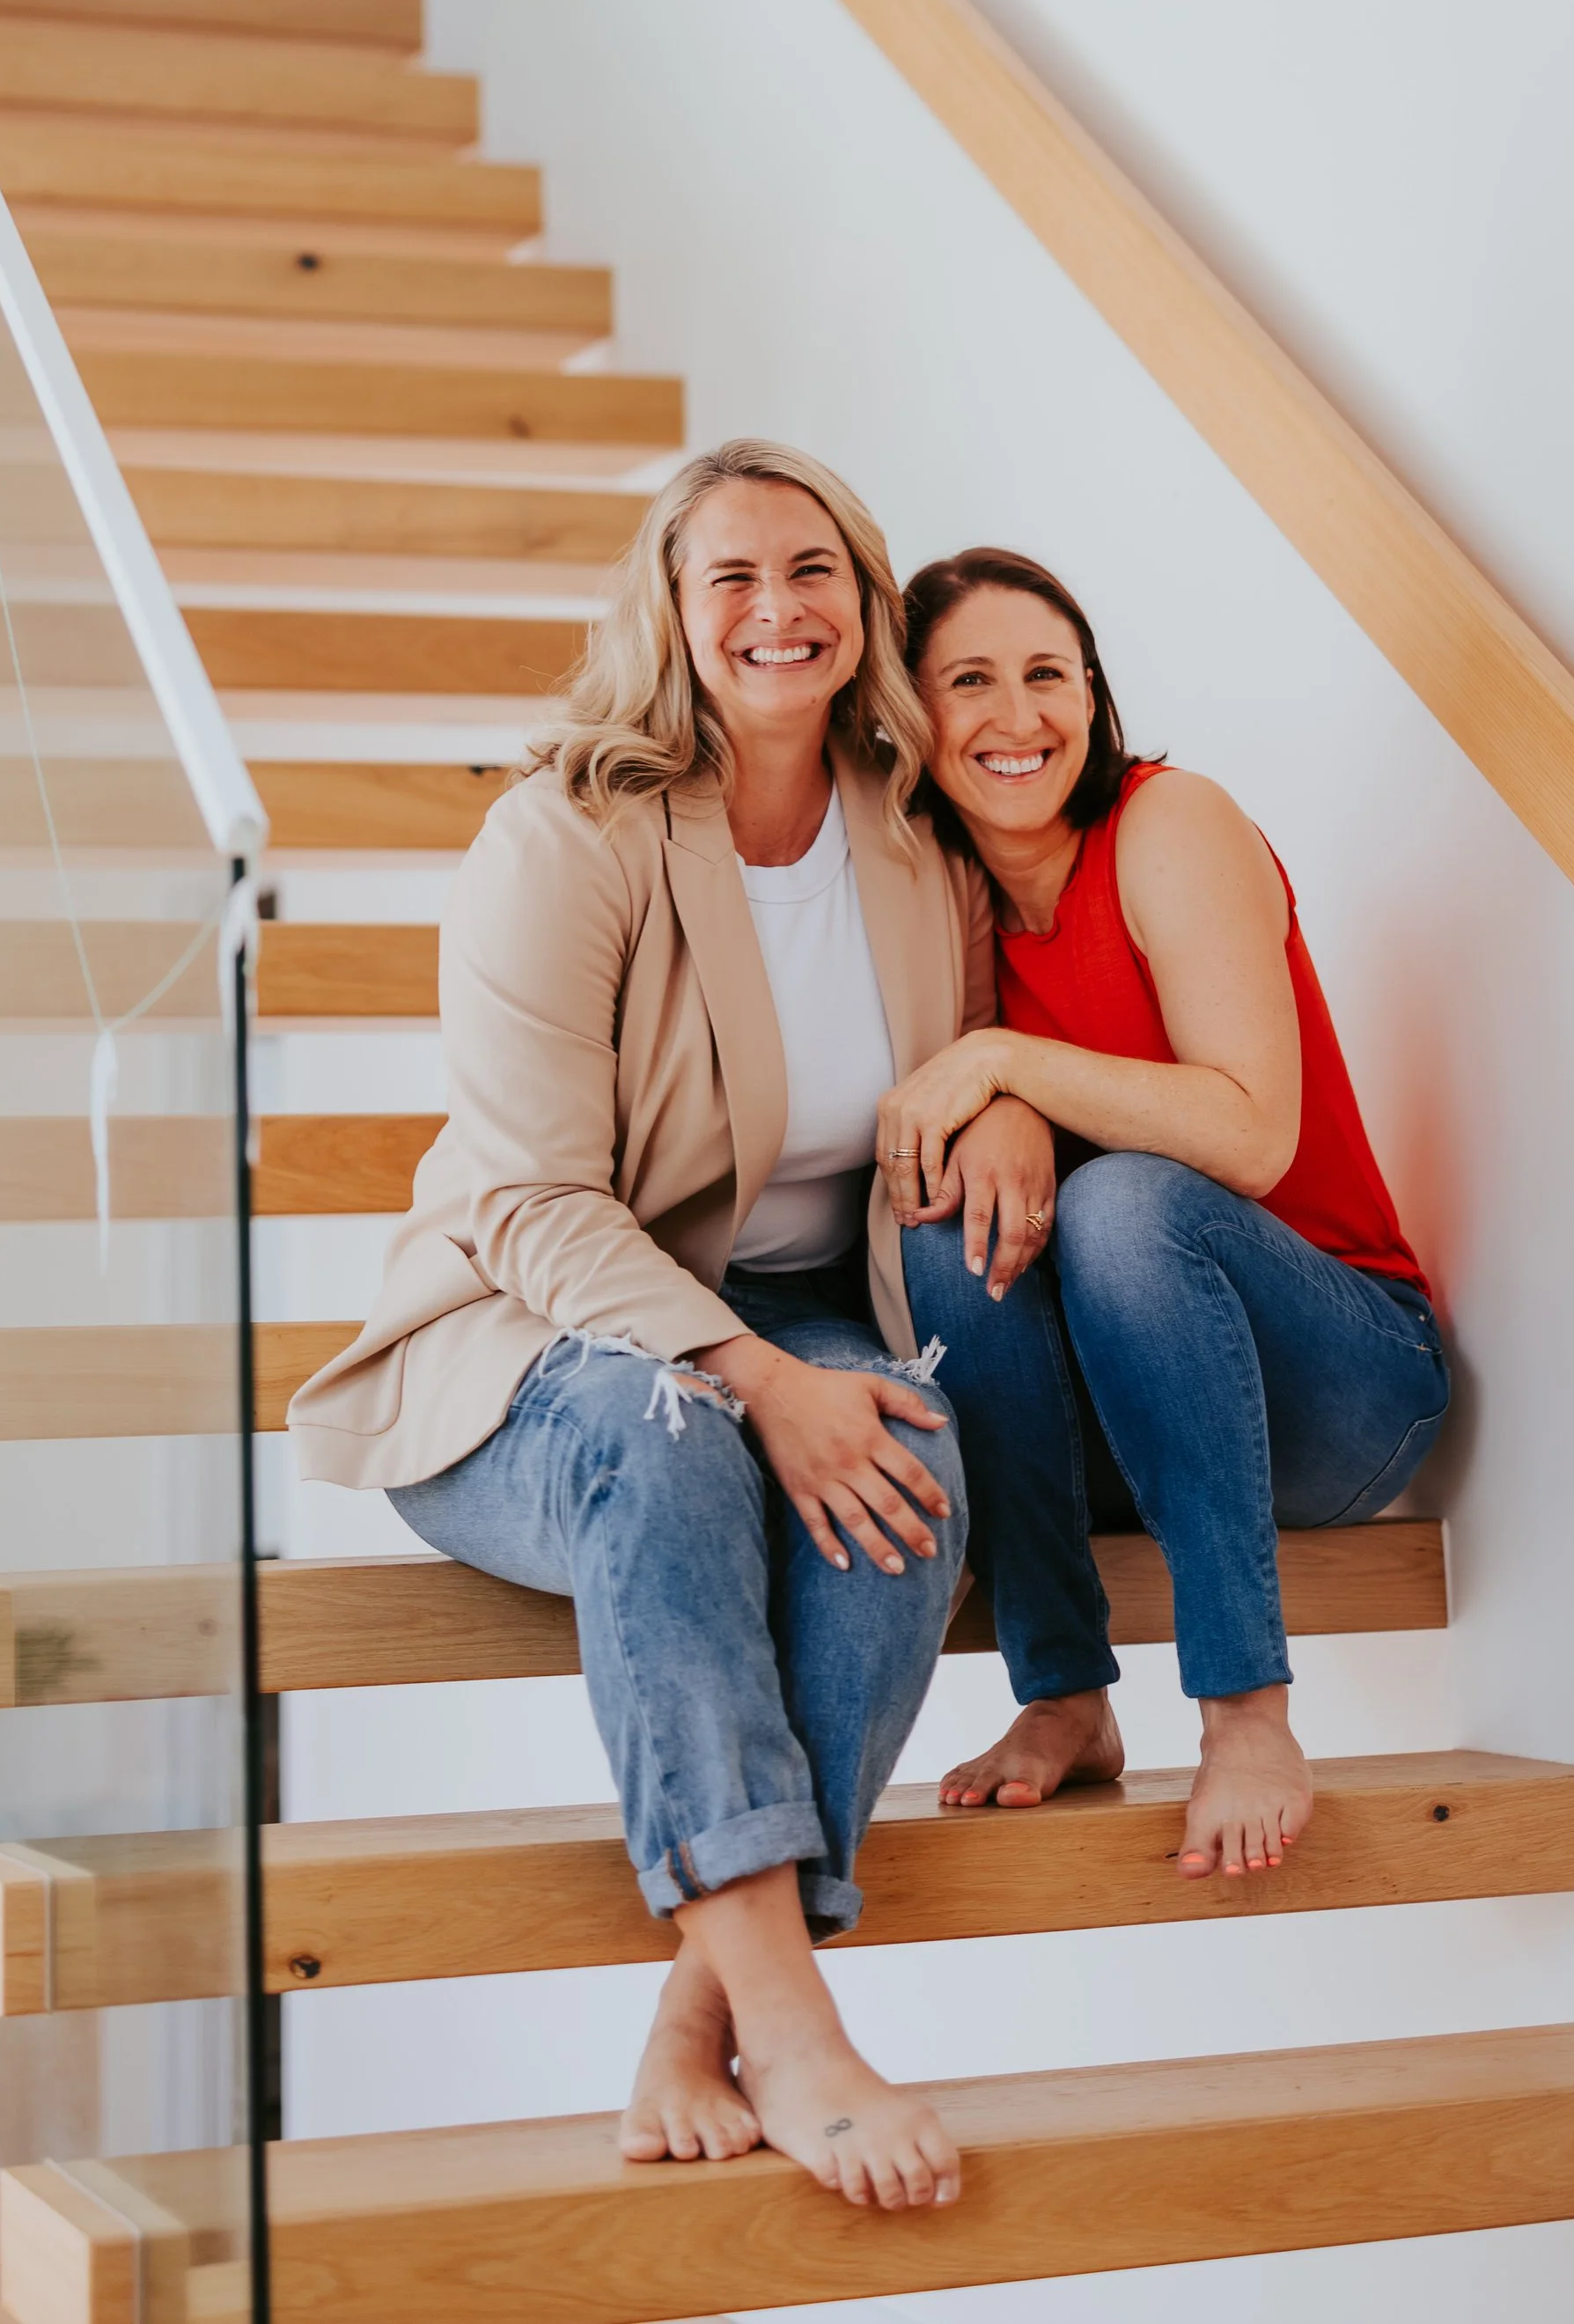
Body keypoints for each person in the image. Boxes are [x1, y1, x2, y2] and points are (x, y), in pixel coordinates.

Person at [288, 447, 1053, 2211]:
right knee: (673, 1435)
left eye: (813, 569)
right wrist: (758, 1376)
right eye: (732, 576)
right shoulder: (563, 836)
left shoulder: (912, 832)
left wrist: (1008, 1097)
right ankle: (793, 2027)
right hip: (523, 1333)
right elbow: (531, 1202)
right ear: (672, 610)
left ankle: (699, 2006)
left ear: (863, 600)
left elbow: (969, 1054)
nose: (778, 608)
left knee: (908, 1455)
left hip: (799, 1311)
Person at [882, 548, 1448, 1885]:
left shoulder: (1167, 824)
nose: (1019, 716)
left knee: (1127, 1206)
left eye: (1049, 674)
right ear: (911, 717)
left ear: (1094, 695)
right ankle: (1064, 1692)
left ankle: (1247, 1712)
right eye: (970, 682)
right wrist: (1003, 1103)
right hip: (1132, 1415)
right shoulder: (933, 898)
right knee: (948, 1217)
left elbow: (1251, 1133)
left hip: (1342, 1374)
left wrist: (1007, 1066)